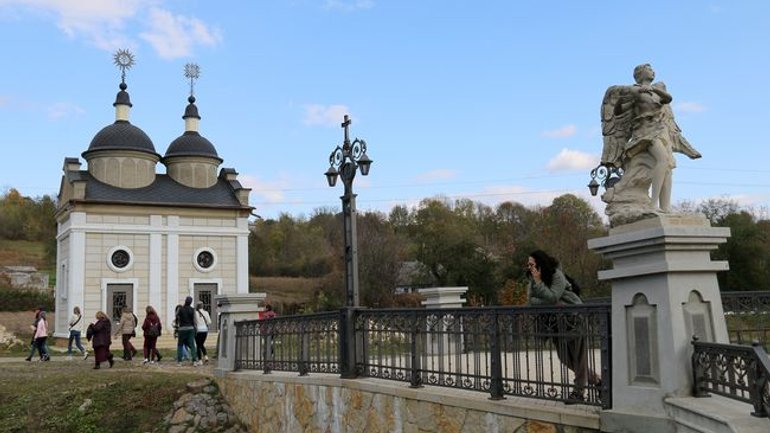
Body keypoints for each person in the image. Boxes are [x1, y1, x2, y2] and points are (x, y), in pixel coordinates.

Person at [600, 64, 701, 223]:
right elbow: (618, 110)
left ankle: (665, 206)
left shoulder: (657, 90)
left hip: (661, 130)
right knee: (663, 160)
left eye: (653, 69)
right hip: (645, 131)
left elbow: (668, 99)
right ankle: (653, 204)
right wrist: (631, 94)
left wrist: (654, 90)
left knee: (668, 167)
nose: (653, 71)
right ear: (640, 74)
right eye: (649, 69)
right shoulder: (634, 91)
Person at [526, 250, 600, 402]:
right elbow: (531, 300)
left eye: (532, 264)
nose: (529, 267)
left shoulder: (556, 275)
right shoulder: (533, 279)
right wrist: (541, 295)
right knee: (565, 357)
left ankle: (578, 393)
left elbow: (553, 296)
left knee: (578, 358)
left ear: (540, 264)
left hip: (573, 318)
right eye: (528, 265)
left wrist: (539, 284)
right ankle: (598, 382)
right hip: (555, 323)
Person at [176, 296, 199, 366]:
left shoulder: (180, 309)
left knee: (180, 345)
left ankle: (179, 361)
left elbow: (177, 318)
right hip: (190, 328)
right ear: (191, 302)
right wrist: (196, 329)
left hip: (182, 328)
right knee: (192, 345)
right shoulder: (193, 310)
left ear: (185, 301)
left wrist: (177, 327)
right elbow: (195, 320)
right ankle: (194, 360)